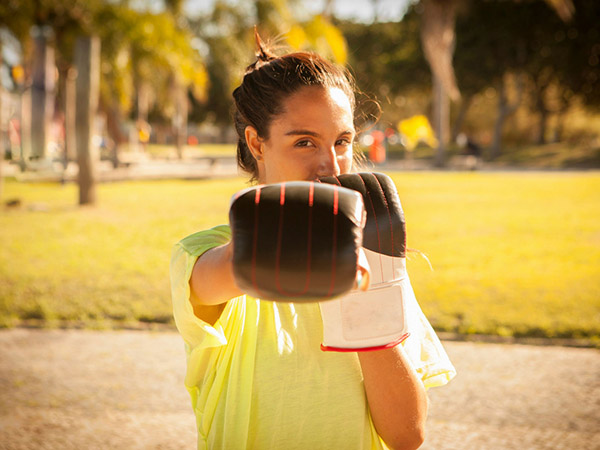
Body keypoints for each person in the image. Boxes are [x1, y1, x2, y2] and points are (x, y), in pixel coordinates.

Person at [170, 33, 456, 450]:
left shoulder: (375, 253)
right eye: (304, 141)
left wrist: (368, 291)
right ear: (256, 143)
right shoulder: (199, 255)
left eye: (342, 141)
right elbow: (230, 270)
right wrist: (310, 243)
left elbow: (406, 435)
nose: (330, 164)